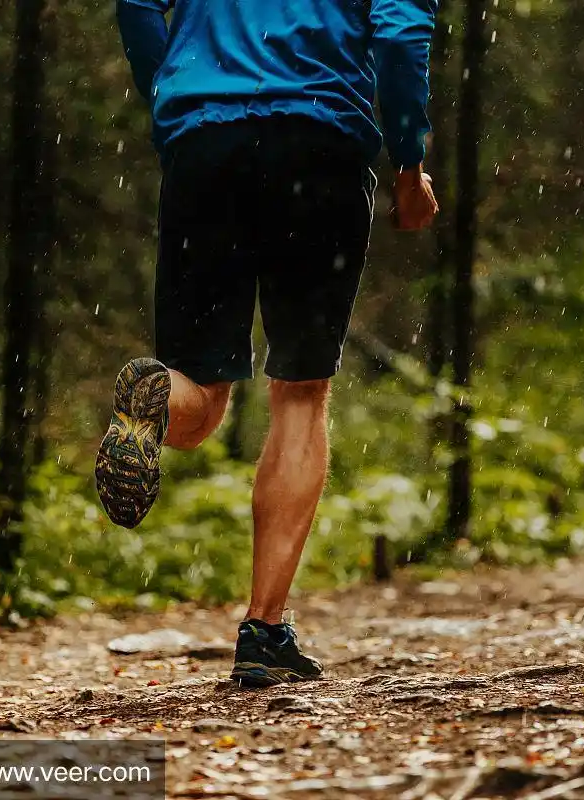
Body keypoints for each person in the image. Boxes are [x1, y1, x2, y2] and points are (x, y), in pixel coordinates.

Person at [97, 0, 439, 688]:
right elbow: (402, 34)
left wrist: (173, 96)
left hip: (204, 144)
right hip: (319, 146)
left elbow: (135, 2)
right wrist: (409, 165)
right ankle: (263, 630)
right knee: (302, 392)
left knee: (200, 389)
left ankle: (161, 397)